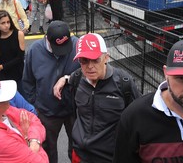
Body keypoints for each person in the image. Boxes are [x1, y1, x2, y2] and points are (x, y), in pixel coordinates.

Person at [53, 33, 141, 163]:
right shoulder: (76, 79)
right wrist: (65, 78)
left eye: (95, 60)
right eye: (84, 60)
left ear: (106, 57)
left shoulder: (124, 83)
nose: (89, 66)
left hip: (110, 157)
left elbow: (137, 121)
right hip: (80, 154)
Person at [22, 21, 80, 163]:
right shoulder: (34, 51)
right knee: (48, 149)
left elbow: (87, 70)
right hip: (47, 112)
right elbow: (28, 80)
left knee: (77, 146)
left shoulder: (77, 45)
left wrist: (67, 78)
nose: (62, 53)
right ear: (47, 39)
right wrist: (35, 104)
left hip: (73, 109)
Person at [0, 10, 25, 95]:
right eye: (3, 23)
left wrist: (2, 66)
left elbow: (20, 58)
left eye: (8, 22)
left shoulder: (19, 34)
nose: (6, 25)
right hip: (5, 79)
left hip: (19, 76)